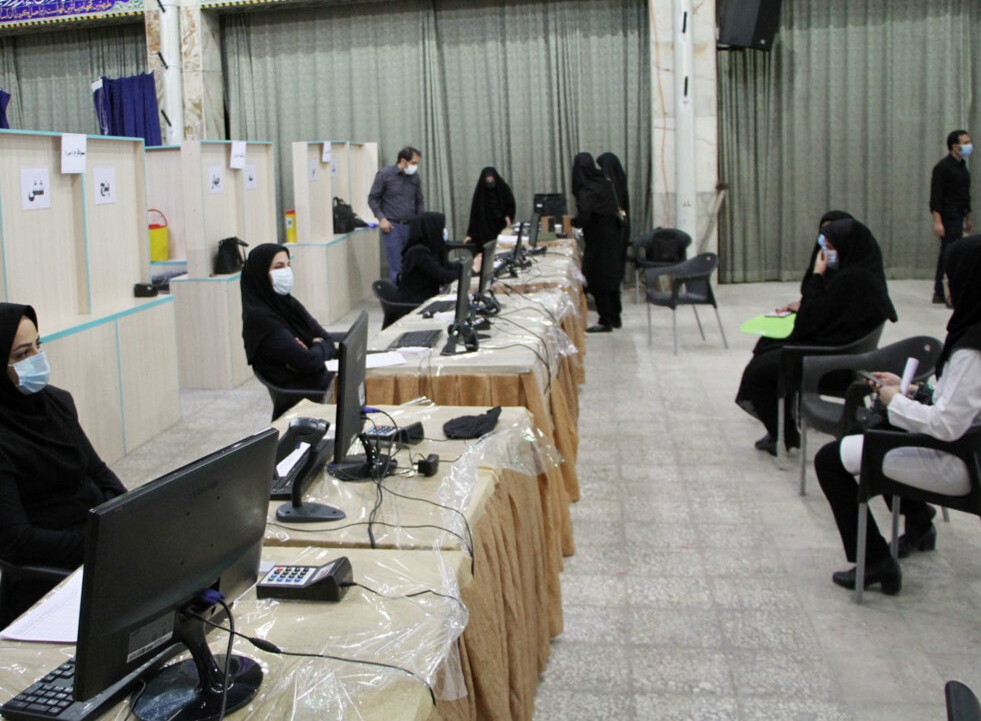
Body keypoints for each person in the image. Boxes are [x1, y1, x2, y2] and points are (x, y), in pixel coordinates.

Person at [815, 235, 981, 595]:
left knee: (830, 459)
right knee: (878, 429)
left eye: (950, 274)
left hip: (960, 462)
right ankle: (919, 522)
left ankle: (876, 561)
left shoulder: (972, 351)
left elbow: (947, 426)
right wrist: (913, 393)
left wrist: (894, 401)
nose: (946, 282)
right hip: (967, 449)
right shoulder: (972, 333)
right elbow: (964, 404)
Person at [0, 303, 127, 618]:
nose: (37, 358)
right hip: (52, 568)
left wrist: (124, 512)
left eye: (38, 345)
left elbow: (97, 470)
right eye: (22, 354)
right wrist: (95, 541)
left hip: (97, 538)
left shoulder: (57, 401)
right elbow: (16, 540)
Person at [735, 219, 898, 455]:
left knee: (759, 371)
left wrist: (817, 276)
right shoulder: (864, 273)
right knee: (767, 345)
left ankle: (784, 433)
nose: (824, 255)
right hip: (843, 352)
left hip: (831, 364)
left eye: (830, 248)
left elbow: (809, 320)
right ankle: (783, 428)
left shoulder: (852, 280)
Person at [240, 243, 336, 419]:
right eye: (278, 267)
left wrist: (315, 347)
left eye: (288, 266)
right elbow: (310, 362)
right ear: (261, 274)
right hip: (301, 393)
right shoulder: (260, 319)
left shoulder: (288, 303)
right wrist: (317, 345)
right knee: (360, 384)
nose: (286, 272)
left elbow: (327, 339)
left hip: (314, 378)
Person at [571, 152, 624, 333]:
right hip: (613, 236)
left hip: (598, 241)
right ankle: (615, 317)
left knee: (597, 279)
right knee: (611, 277)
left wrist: (569, 223)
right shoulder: (605, 182)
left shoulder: (587, 189)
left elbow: (585, 217)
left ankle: (605, 320)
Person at [774, 209, 854, 315]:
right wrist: (802, 304)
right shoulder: (822, 259)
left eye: (833, 232)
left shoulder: (860, 272)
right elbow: (813, 295)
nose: (826, 238)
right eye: (824, 232)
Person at [389, 212, 459, 326]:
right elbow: (443, 276)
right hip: (410, 307)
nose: (444, 231)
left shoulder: (431, 248)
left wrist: (468, 266)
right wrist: (472, 271)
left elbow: (447, 267)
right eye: (442, 228)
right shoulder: (419, 253)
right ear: (431, 228)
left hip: (424, 300)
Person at [368, 146, 425, 283]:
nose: (415, 166)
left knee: (413, 263)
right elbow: (373, 198)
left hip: (412, 226)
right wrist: (382, 218)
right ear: (403, 161)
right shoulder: (385, 174)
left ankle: (411, 292)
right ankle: (397, 294)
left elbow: (419, 200)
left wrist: (421, 221)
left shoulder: (415, 177)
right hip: (392, 226)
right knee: (396, 265)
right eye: (413, 163)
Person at [929, 130, 973, 305]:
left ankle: (946, 291)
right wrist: (938, 221)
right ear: (955, 146)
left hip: (959, 214)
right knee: (949, 253)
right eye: (966, 142)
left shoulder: (963, 167)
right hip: (948, 215)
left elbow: (965, 195)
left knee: (953, 253)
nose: (969, 146)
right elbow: (936, 197)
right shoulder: (942, 168)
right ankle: (944, 292)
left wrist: (968, 217)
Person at [465, 167, 515, 249]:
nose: (490, 182)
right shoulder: (480, 194)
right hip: (485, 231)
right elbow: (474, 215)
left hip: (501, 227)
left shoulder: (503, 189)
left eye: (492, 180)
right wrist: (470, 234)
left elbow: (510, 205)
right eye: (487, 180)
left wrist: (508, 216)